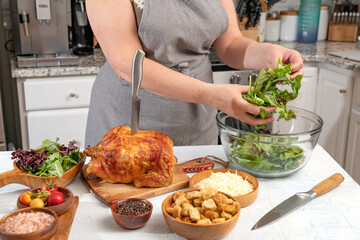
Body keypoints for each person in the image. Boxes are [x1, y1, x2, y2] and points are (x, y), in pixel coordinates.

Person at [84, 0, 304, 147]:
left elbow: (230, 44)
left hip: (197, 122)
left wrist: (269, 55)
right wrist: (213, 96)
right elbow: (127, 63)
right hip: (133, 119)